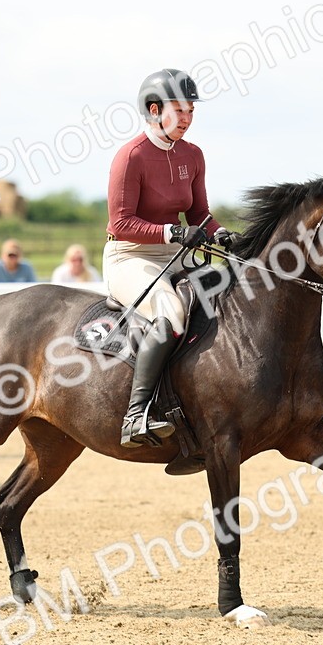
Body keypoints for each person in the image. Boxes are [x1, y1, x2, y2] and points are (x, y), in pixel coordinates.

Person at [104, 68, 233, 448]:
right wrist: (172, 232)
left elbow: (199, 218)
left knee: (225, 292)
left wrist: (223, 235)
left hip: (174, 254)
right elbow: (121, 222)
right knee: (171, 312)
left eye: (191, 112)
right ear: (155, 109)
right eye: (180, 111)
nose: (188, 119)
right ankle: (136, 414)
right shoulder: (131, 157)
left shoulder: (193, 155)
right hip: (130, 255)